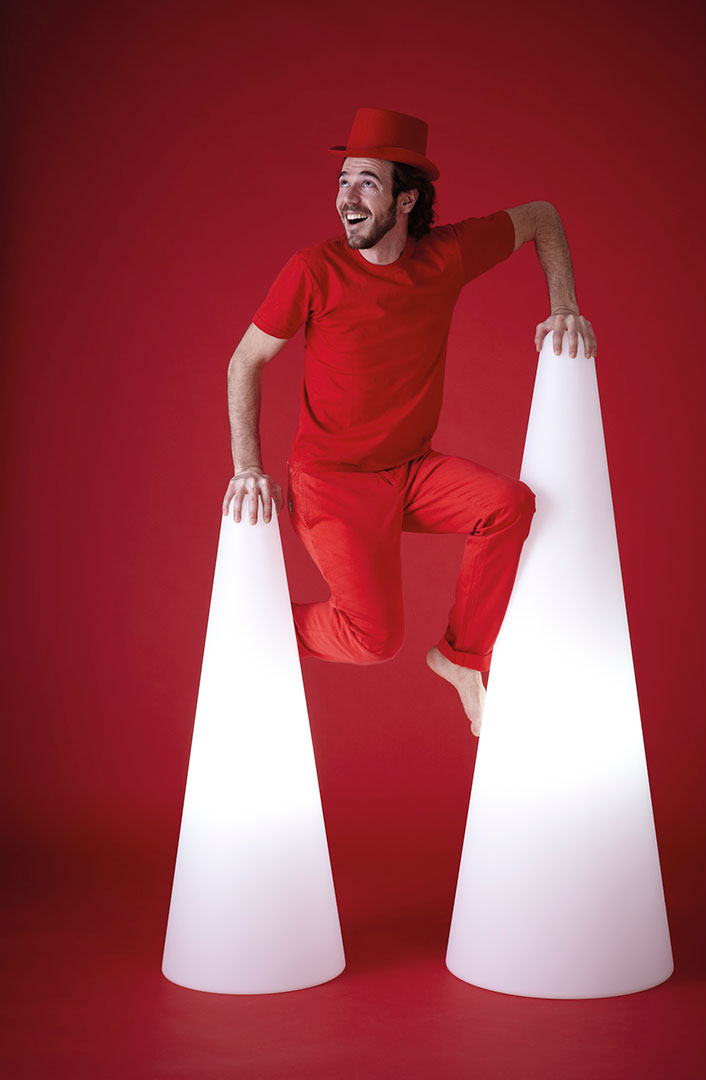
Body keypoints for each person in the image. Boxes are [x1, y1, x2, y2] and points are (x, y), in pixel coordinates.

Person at [222, 107, 597, 737]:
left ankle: (461, 658)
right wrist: (248, 467)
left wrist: (564, 307)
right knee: (373, 639)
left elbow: (542, 217)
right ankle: (251, 628)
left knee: (508, 505)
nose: (347, 197)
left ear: (406, 199)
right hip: (331, 483)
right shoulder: (313, 270)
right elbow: (245, 361)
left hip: (411, 472)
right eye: (343, 181)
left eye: (366, 182)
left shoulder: (446, 257)